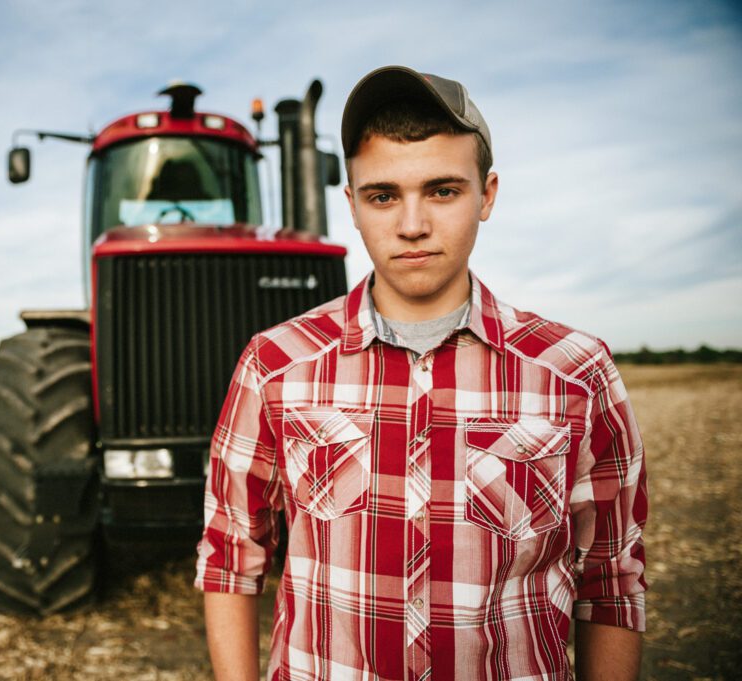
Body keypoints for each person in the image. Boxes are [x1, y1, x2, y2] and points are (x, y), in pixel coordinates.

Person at [194, 65, 648, 680]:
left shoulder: (574, 373)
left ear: (486, 195)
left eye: (442, 190)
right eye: (383, 195)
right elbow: (230, 556)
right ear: (351, 205)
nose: (412, 225)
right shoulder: (276, 364)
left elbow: (611, 578)